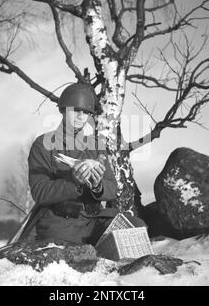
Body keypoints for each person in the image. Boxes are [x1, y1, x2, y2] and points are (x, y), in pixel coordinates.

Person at [27, 83, 146, 245]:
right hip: (60, 224)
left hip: (93, 221)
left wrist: (97, 186)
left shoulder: (96, 146)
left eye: (86, 112)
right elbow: (40, 192)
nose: (80, 116)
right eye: (75, 110)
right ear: (63, 110)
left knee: (135, 227)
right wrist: (74, 182)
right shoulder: (43, 144)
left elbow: (112, 188)